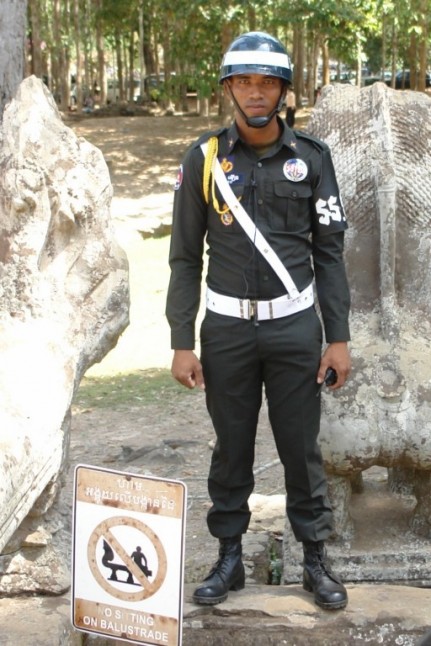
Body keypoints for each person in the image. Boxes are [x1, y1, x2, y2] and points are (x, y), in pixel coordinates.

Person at [166, 31, 351, 611]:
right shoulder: (202, 160)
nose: (254, 92)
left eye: (266, 82)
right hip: (226, 330)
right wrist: (180, 340)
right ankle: (228, 558)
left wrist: (338, 338)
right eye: (243, 81)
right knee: (231, 446)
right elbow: (183, 256)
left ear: (282, 91)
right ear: (228, 89)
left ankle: (315, 561)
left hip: (296, 328)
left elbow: (329, 254)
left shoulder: (313, 160)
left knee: (301, 447)